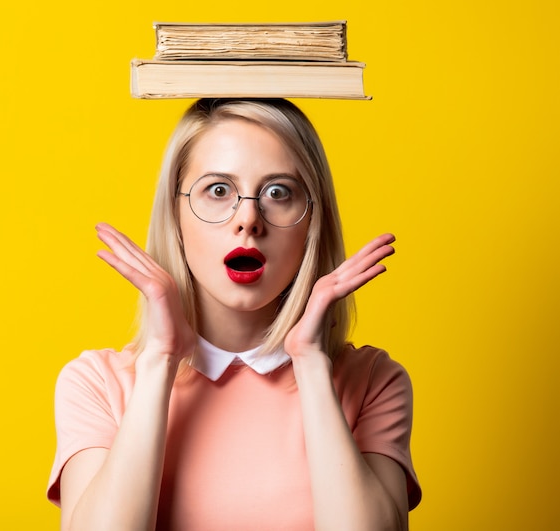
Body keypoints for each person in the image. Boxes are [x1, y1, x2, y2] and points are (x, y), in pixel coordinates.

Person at [47, 98, 421, 530]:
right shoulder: (98, 384)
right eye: (218, 190)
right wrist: (161, 360)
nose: (248, 220)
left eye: (278, 192)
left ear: (313, 222)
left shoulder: (373, 382)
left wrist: (311, 363)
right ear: (175, 214)